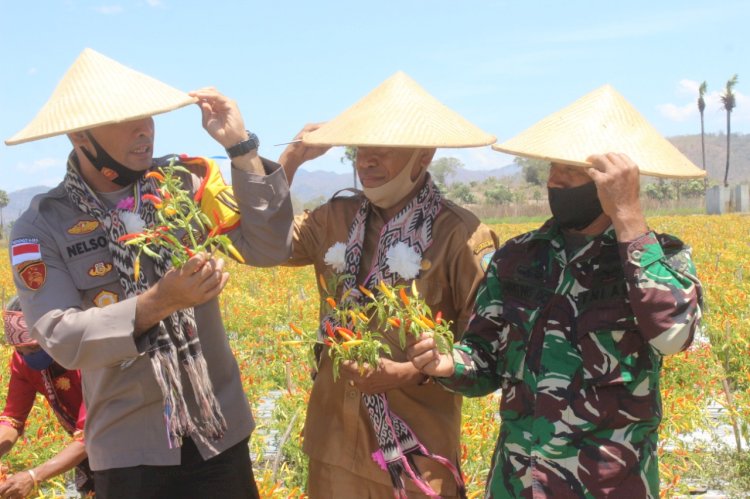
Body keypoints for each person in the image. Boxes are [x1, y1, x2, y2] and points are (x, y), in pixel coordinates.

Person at [5, 48, 293, 498]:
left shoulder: (186, 185)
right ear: (81, 135)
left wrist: (241, 149)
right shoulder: (43, 227)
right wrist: (161, 301)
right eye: (125, 119)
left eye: (148, 116)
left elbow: (270, 247)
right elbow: (61, 337)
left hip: (220, 434)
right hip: (130, 452)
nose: (145, 129)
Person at [407, 84, 705, 498]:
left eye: (573, 171)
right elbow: (484, 358)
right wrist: (445, 363)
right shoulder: (518, 257)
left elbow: (674, 335)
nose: (555, 181)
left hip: (607, 484)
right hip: (518, 482)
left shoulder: (659, 257)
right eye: (552, 168)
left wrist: (629, 216)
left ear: (613, 181)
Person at [279, 71, 499, 498]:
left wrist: (411, 372)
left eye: (385, 149)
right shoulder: (333, 218)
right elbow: (262, 244)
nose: (367, 160)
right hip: (333, 447)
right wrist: (291, 159)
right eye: (361, 148)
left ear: (425, 155)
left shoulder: (461, 236)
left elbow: (488, 352)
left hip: (415, 461)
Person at [0, 296, 93, 498]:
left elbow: (92, 432)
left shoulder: (87, 356)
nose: (27, 355)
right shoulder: (23, 361)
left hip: (125, 445)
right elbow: (13, 419)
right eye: (21, 350)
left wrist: (34, 476)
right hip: (87, 452)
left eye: (34, 347)